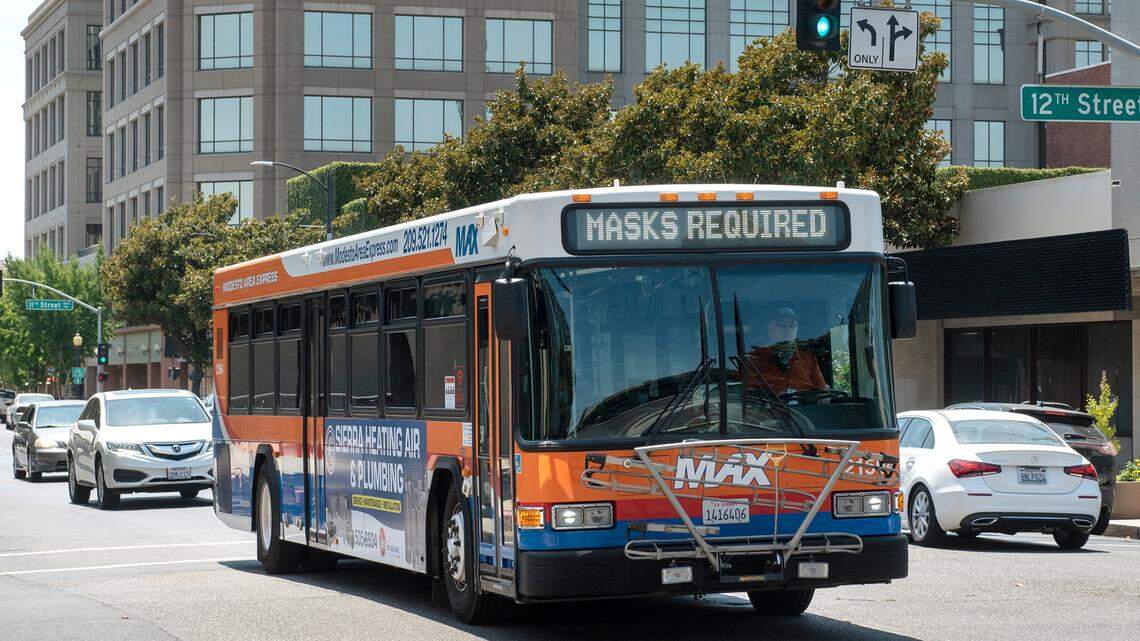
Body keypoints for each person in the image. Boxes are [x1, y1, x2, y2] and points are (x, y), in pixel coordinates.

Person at [744, 306, 827, 394]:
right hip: (769, 407)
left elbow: (822, 395)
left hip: (804, 407)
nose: (788, 329)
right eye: (782, 324)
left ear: (797, 329)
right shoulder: (754, 359)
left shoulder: (809, 360)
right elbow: (749, 397)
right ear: (769, 327)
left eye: (793, 325)